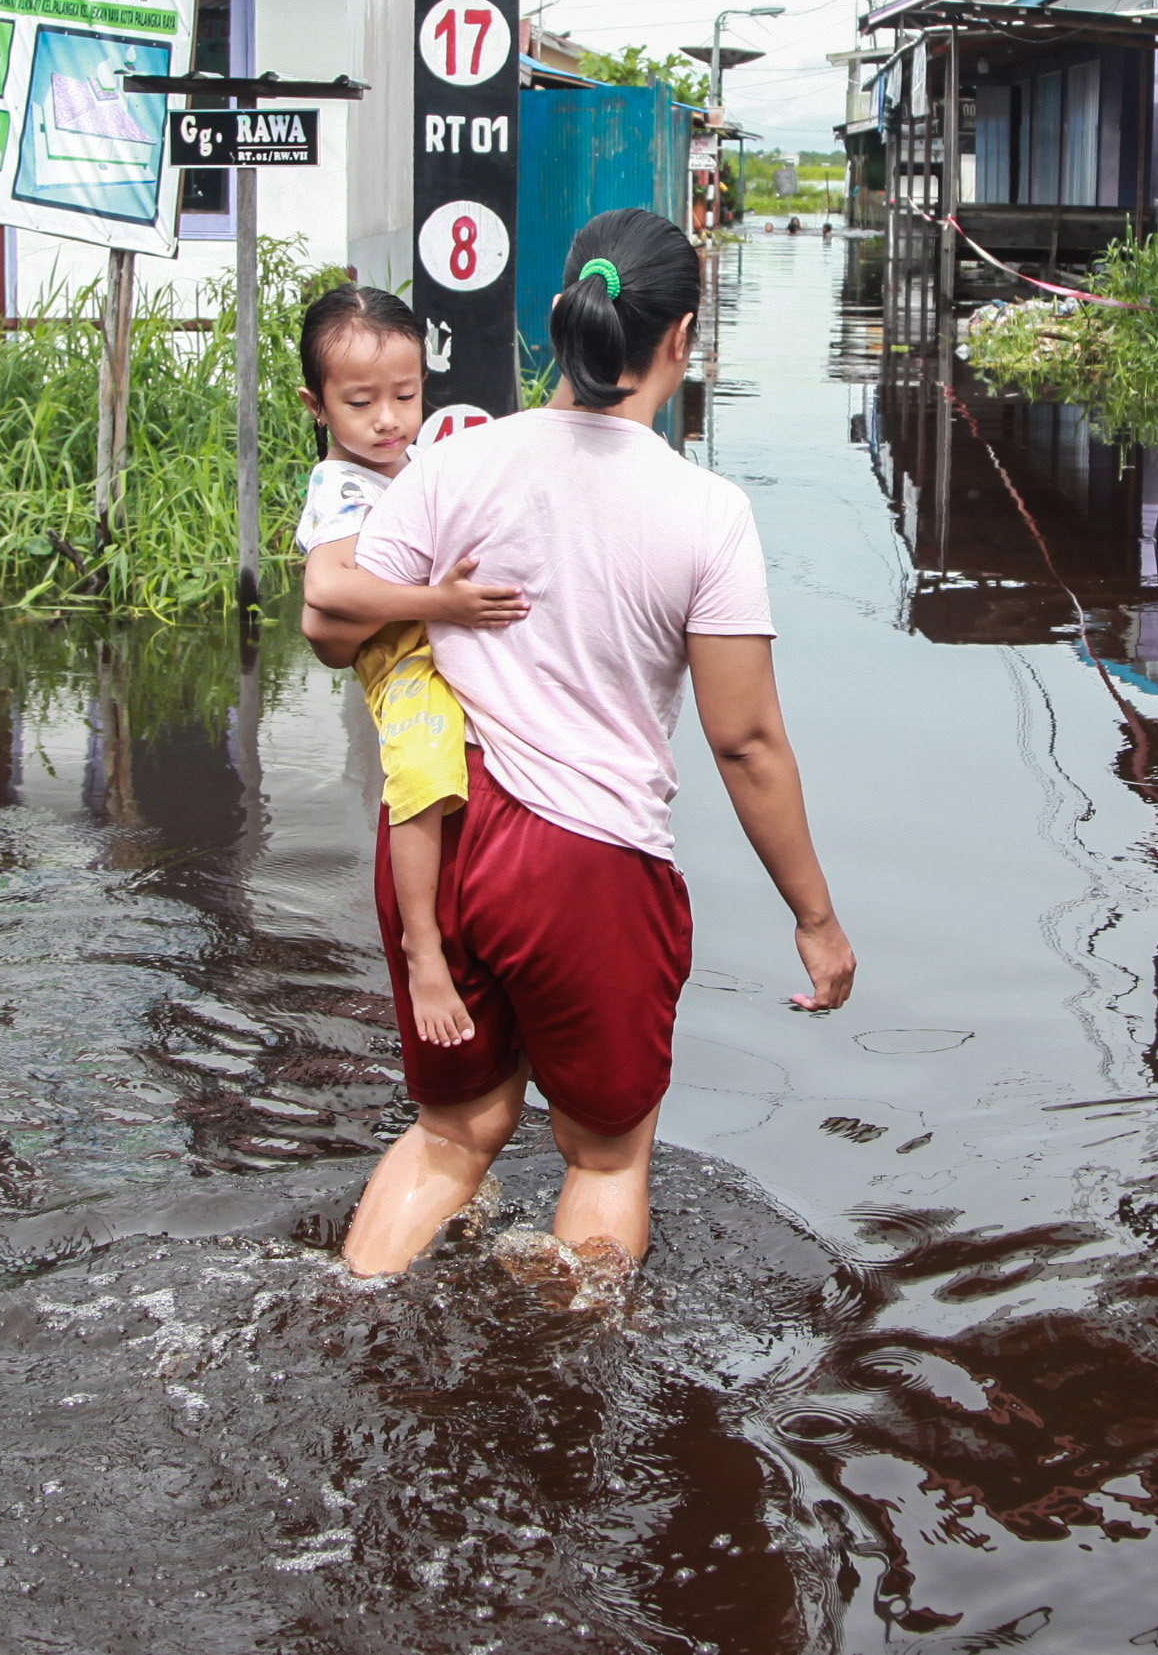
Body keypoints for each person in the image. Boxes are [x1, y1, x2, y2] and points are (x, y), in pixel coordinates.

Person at [314, 208, 857, 1280]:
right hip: (585, 861)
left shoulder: (454, 463)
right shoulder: (705, 512)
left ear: (563, 312)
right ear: (682, 336)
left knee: (452, 1133)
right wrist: (815, 917)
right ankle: (573, 1371)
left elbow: (332, 629)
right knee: (604, 1155)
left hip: (438, 831)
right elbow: (745, 743)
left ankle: (347, 1312)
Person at [289, 284, 530, 1059]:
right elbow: (327, 591)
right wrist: (440, 603)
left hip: (437, 634)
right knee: (422, 771)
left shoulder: (415, 462)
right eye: (361, 403)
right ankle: (422, 946)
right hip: (404, 658)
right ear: (317, 406)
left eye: (406, 394)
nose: (388, 419)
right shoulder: (341, 486)